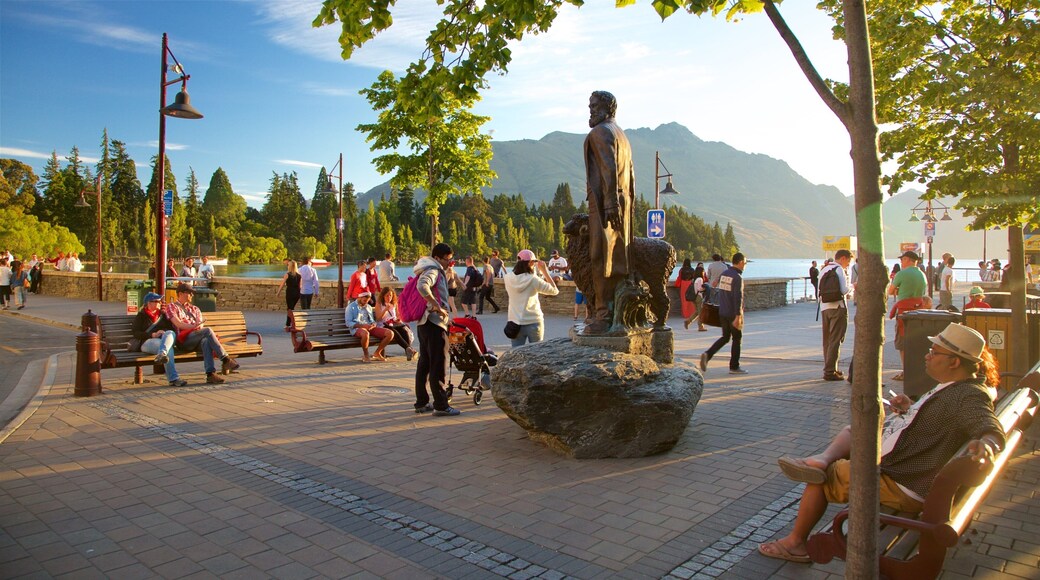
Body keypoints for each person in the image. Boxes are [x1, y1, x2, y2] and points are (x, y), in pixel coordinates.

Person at [760, 323, 1005, 564]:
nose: (927, 356)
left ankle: (795, 544)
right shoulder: (957, 387)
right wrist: (911, 406)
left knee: (823, 475)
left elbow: (986, 423)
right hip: (907, 470)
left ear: (954, 362)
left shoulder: (969, 395)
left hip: (905, 482)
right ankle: (823, 457)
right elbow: (942, 416)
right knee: (855, 430)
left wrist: (988, 443)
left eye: (934, 352)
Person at [583, 90, 635, 335]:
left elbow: (608, 167)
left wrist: (610, 203)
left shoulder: (600, 132)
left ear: (606, 107)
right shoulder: (622, 135)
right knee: (616, 256)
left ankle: (603, 316)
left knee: (600, 255)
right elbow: (631, 176)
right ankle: (614, 313)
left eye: (594, 106)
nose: (590, 110)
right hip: (623, 204)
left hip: (606, 203)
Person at [413, 243, 460, 417]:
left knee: (424, 363)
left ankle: (421, 401)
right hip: (434, 323)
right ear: (438, 258)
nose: (450, 263)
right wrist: (437, 306)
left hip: (423, 323)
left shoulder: (424, 267)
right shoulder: (433, 270)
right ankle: (441, 405)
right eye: (448, 260)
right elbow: (422, 286)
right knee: (438, 363)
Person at [165, 282, 240, 384]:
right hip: (184, 341)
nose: (192, 295)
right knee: (207, 331)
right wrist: (193, 326)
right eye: (189, 293)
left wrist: (196, 326)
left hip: (197, 338)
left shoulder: (195, 309)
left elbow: (200, 325)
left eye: (192, 293)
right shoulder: (172, 307)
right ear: (180, 293)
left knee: (206, 341)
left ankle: (210, 374)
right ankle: (225, 359)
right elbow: (178, 324)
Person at [700, 253, 747, 374]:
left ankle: (708, 354)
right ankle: (734, 367)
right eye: (745, 263)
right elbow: (738, 298)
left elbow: (714, 284)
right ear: (740, 262)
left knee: (725, 337)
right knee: (737, 338)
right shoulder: (737, 278)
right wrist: (738, 316)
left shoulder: (725, 274)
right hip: (732, 313)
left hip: (723, 311)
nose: (745, 265)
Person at [505, 249, 559, 347]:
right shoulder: (533, 280)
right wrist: (544, 271)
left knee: (516, 355)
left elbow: (521, 277)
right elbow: (554, 291)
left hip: (515, 322)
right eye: (534, 262)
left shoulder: (507, 278)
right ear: (530, 263)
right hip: (534, 321)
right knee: (536, 355)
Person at [888, 250, 929, 380]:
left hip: (904, 312)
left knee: (902, 343)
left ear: (907, 260)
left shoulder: (901, 274)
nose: (901, 262)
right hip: (918, 310)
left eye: (902, 260)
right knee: (914, 341)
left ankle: (906, 372)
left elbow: (890, 291)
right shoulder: (922, 274)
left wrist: (900, 289)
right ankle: (915, 369)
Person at [133, 292, 187, 387]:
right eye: (157, 301)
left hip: (162, 341)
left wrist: (163, 331)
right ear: (149, 303)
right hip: (147, 342)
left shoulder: (162, 315)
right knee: (168, 348)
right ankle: (173, 378)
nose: (159, 303)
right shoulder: (141, 316)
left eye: (160, 301)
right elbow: (136, 333)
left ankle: (162, 355)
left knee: (170, 334)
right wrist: (152, 334)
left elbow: (171, 329)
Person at [819, 250, 854, 381]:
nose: (848, 265)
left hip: (824, 308)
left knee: (827, 340)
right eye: (848, 262)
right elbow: (844, 290)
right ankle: (830, 371)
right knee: (836, 339)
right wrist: (853, 286)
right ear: (843, 258)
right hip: (838, 307)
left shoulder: (824, 269)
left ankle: (830, 368)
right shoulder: (839, 269)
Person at [345, 291, 394, 362]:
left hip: (369, 327)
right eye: (364, 300)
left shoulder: (368, 307)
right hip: (357, 328)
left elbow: (372, 320)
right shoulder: (351, 307)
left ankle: (377, 353)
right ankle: (366, 355)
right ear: (359, 298)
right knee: (365, 333)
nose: (366, 302)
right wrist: (363, 326)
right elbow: (348, 323)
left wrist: (373, 324)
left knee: (390, 333)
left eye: (367, 301)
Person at [374, 287, 417, 361]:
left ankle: (408, 350)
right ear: (383, 296)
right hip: (383, 324)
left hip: (393, 323)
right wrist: (385, 310)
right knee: (395, 332)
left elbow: (397, 315)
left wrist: (398, 319)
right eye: (387, 296)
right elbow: (378, 319)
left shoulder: (393, 304)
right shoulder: (379, 304)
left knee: (403, 331)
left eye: (390, 295)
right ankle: (409, 350)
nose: (389, 297)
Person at [276, 260, 302, 331]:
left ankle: (289, 324)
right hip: (297, 293)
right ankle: (290, 323)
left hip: (290, 293)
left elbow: (282, 284)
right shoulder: (299, 276)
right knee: (291, 308)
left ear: (290, 266)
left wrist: (278, 292)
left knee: (290, 309)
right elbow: (300, 286)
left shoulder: (287, 274)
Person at [682, 264, 708, 332]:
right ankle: (700, 326)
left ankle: (688, 321)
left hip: (694, 297)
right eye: (703, 271)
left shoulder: (694, 279)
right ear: (701, 272)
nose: (704, 272)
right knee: (701, 312)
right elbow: (699, 288)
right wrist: (704, 288)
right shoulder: (700, 279)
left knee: (697, 312)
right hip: (698, 297)